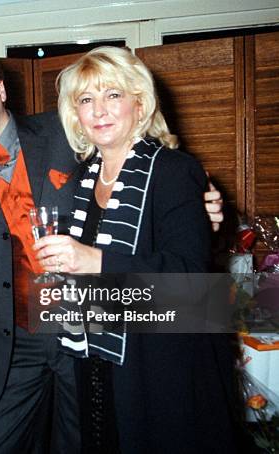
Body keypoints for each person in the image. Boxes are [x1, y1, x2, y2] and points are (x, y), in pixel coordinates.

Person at [0, 44, 227, 453]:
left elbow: (147, 181)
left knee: (88, 440)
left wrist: (203, 203)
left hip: (92, 325)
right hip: (14, 340)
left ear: (1, 89)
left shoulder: (66, 132)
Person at [32, 46, 238, 453]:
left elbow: (191, 281)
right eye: (86, 100)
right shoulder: (82, 180)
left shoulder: (174, 171)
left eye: (113, 95)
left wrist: (95, 261)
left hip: (162, 365)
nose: (99, 110)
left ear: (139, 102)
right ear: (75, 114)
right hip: (97, 363)